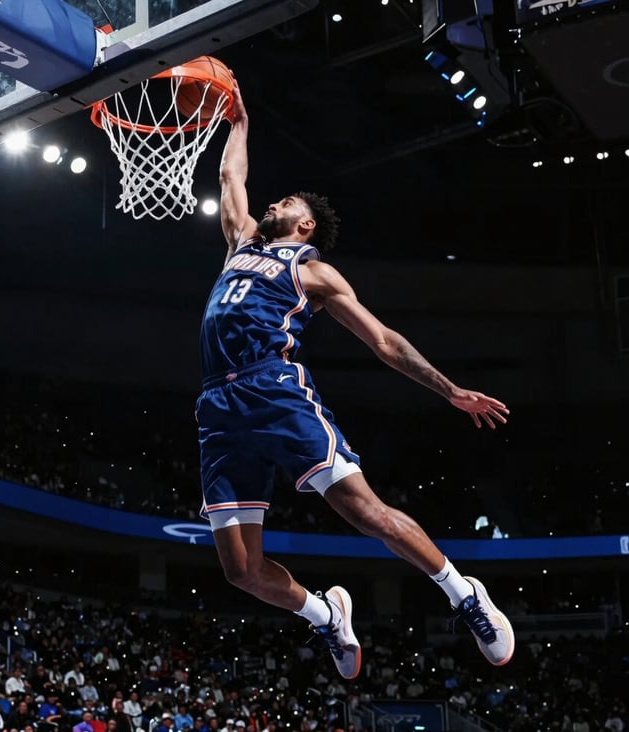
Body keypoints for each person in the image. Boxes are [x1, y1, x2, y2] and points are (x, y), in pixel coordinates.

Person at [195, 78, 515, 680]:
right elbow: (229, 177)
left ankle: (464, 593)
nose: (276, 203)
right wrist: (239, 122)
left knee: (365, 512)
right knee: (240, 570)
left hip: (274, 390)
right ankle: (325, 615)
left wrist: (449, 390)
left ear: (306, 227)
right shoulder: (241, 243)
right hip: (218, 405)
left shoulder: (314, 273)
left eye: (289, 203)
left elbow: (384, 342)